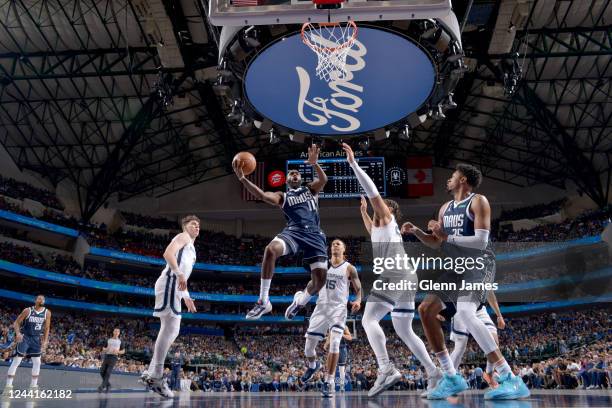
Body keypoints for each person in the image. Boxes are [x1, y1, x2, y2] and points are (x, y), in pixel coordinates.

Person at [402, 163, 530, 400]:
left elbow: (481, 241)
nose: (448, 179)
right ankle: (451, 377)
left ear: (463, 180)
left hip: (478, 264)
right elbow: (436, 242)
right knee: (426, 309)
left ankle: (509, 377)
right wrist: (419, 233)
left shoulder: (478, 201)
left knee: (467, 313)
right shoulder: (444, 208)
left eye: (452, 176)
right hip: (456, 268)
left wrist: (446, 235)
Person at [342, 143, 441, 398]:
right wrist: (363, 212)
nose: (377, 210)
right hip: (407, 276)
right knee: (403, 328)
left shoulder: (387, 218)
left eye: (379, 208)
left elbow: (373, 191)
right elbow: (371, 229)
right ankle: (433, 372)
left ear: (389, 212)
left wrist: (353, 163)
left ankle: (386, 368)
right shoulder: (380, 228)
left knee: (368, 319)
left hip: (395, 274)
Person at [233, 145, 329, 320]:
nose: (294, 175)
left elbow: (323, 179)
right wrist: (243, 179)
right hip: (294, 232)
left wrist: (315, 164)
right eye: (291, 174)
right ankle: (263, 301)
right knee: (271, 250)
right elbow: (262, 195)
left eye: (297, 174)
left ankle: (300, 301)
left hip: (315, 235)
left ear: (301, 178)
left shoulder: (310, 189)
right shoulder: (283, 196)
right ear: (287, 181)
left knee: (320, 281)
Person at [140, 215, 200, 398]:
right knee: (170, 328)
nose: (196, 227)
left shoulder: (193, 250)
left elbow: (184, 279)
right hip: (168, 283)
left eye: (198, 225)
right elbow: (167, 254)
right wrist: (179, 273)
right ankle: (156, 376)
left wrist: (187, 296)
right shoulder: (183, 237)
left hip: (175, 288)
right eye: (192, 224)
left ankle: (151, 373)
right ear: (185, 226)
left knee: (172, 330)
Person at [300, 239, 361, 397]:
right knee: (308, 348)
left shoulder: (349, 268)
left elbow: (359, 288)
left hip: (338, 309)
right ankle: (313, 365)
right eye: (333, 243)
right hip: (320, 308)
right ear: (329, 249)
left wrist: (358, 300)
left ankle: (329, 381)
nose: (335, 245)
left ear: (344, 249)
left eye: (338, 243)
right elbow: (312, 283)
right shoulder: (322, 266)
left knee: (334, 343)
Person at [448, 291, 505, 388]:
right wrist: (442, 311)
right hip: (459, 310)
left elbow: (489, 293)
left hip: (478, 309)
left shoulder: (485, 276)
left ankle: (489, 374)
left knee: (494, 342)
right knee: (460, 348)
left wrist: (499, 315)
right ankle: (448, 379)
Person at [3, 295, 51, 395]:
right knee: (17, 361)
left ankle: (33, 387)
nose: (42, 300)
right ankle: (8, 387)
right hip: (25, 337)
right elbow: (16, 323)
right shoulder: (27, 310)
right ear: (35, 300)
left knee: (37, 362)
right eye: (39, 298)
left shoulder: (47, 312)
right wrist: (18, 333)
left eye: (43, 299)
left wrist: (45, 340)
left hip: (36, 339)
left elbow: (47, 328)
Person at [98, 328, 125, 392]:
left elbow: (123, 351)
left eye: (118, 332)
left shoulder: (121, 341)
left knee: (108, 372)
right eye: (115, 331)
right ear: (113, 332)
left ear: (119, 333)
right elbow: (103, 348)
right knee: (102, 371)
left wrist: (118, 351)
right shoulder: (108, 340)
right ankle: (108, 385)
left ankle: (102, 386)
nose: (116, 332)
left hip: (114, 357)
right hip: (107, 356)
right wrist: (106, 349)